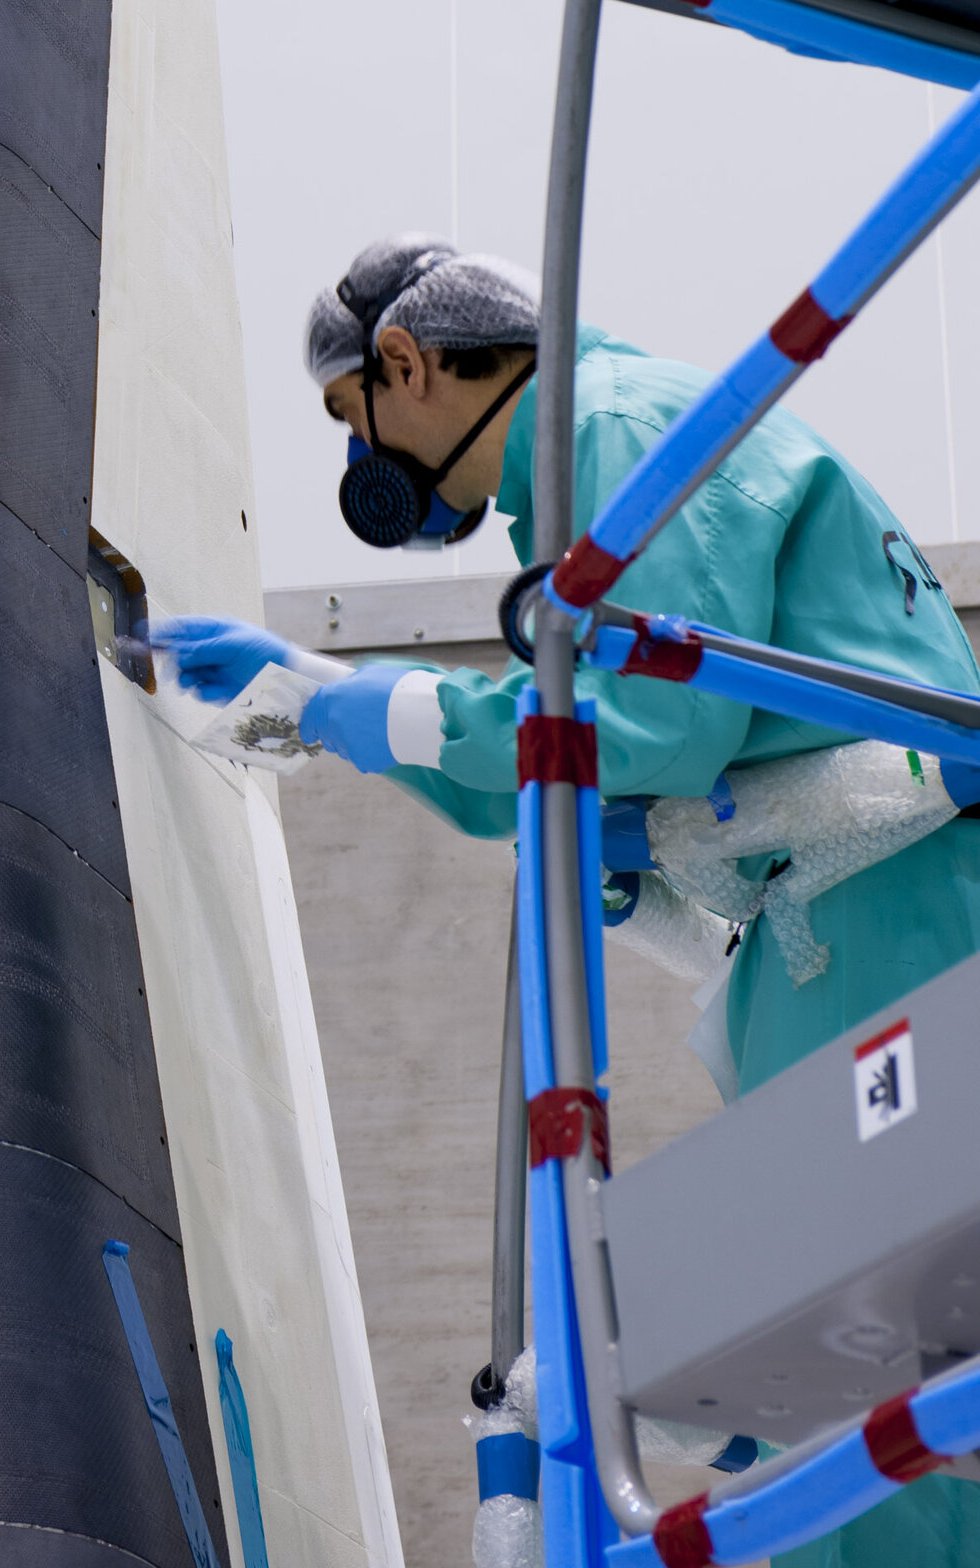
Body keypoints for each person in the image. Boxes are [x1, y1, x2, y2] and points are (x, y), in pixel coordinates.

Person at [158, 234, 980, 1568]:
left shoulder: (617, 424)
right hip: (834, 927)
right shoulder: (599, 477)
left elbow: (651, 725)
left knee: (873, 1390)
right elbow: (551, 781)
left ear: (407, 366)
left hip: (886, 904)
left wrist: (366, 704)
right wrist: (345, 719)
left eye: (348, 412)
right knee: (857, 1397)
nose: (356, 454)